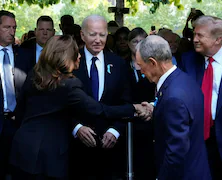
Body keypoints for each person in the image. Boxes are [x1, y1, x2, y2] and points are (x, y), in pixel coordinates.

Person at [9, 35, 148, 180]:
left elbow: (20, 112)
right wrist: (134, 108)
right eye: (76, 52)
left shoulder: (34, 74)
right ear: (67, 57)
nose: (80, 55)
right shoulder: (69, 85)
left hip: (22, 150)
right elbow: (98, 110)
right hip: (49, 158)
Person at [136, 35, 211, 180]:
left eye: (141, 65)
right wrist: (156, 109)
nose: (141, 71)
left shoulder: (173, 97)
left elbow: (176, 151)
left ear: (152, 63)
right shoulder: (185, 80)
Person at [70, 14, 133, 179]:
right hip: (76, 150)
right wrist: (76, 128)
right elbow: (61, 102)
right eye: (92, 34)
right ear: (82, 35)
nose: (98, 40)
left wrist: (115, 130)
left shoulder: (119, 64)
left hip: (111, 149)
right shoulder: (70, 62)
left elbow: (126, 102)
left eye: (102, 35)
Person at [180, 15, 222, 180]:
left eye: (200, 35)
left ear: (218, 40)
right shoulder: (187, 60)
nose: (194, 39)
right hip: (196, 143)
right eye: (194, 34)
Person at [0, 10, 33, 179]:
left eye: (14, 27)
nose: (12, 32)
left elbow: (31, 89)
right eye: (7, 27)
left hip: (18, 122)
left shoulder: (25, 55)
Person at [127, 27, 156, 180]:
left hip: (149, 117)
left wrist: (150, 106)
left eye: (142, 41)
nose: (138, 44)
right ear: (128, 43)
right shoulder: (122, 65)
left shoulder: (153, 64)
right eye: (135, 41)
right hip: (128, 119)